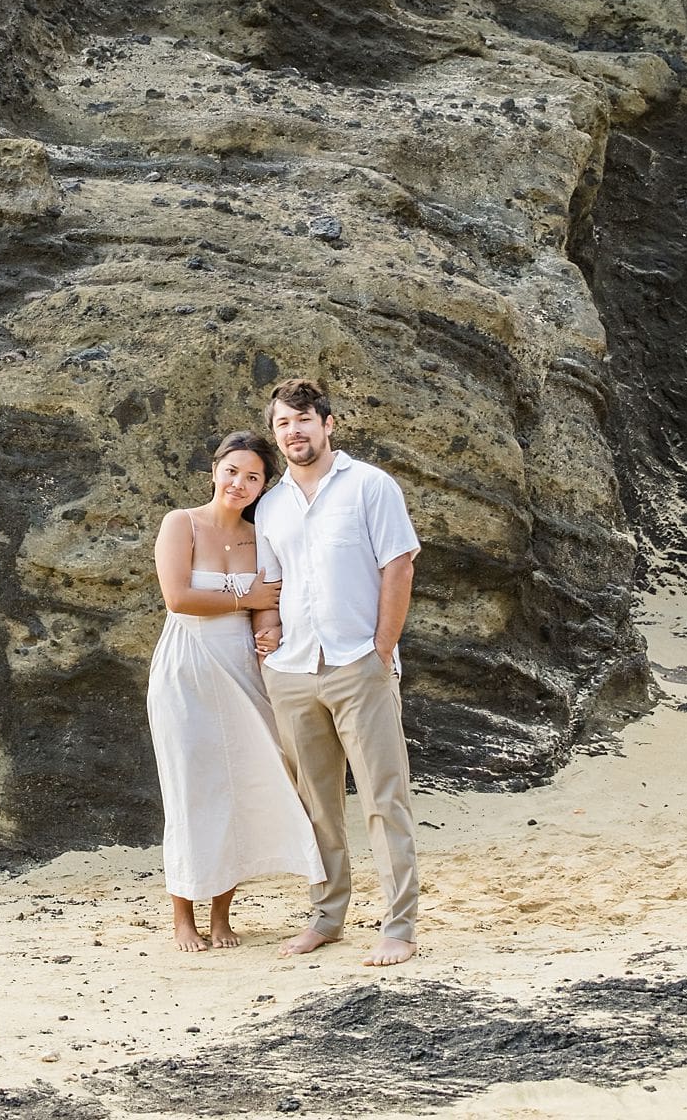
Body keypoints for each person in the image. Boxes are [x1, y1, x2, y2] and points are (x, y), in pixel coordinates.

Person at [255, 378, 421, 967]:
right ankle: (327, 918)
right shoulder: (270, 505)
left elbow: (398, 566)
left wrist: (381, 650)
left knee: (383, 797)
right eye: (283, 423)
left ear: (328, 425)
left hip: (358, 665)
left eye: (304, 419)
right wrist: (269, 641)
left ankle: (399, 926)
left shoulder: (370, 486)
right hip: (293, 672)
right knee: (316, 805)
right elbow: (271, 584)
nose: (294, 431)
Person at [146, 430, 324, 951]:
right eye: (232, 472)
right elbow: (179, 597)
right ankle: (183, 918)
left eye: (252, 477)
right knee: (189, 790)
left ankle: (222, 915)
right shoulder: (181, 523)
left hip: (242, 668)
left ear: (263, 486)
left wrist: (270, 630)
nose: (239, 484)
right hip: (186, 668)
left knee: (236, 789)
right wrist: (246, 596)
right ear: (215, 470)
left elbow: (271, 603)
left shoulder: (259, 535)